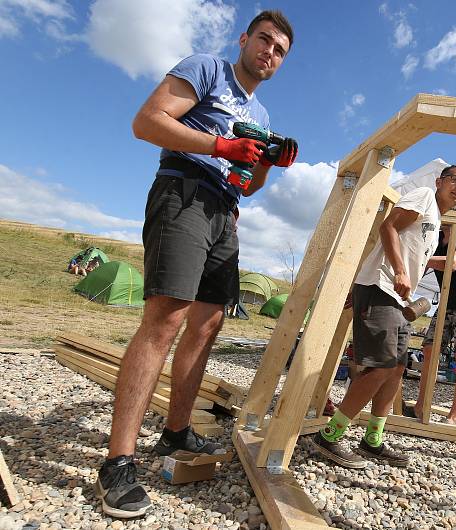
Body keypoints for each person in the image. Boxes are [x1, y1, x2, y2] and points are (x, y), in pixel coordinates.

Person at [93, 10, 297, 519]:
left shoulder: (263, 115)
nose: (269, 52)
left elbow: (249, 186)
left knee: (206, 327)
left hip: (226, 210)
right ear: (244, 39)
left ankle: (176, 431)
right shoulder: (207, 69)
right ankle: (118, 462)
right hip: (184, 191)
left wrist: (265, 162)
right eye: (264, 40)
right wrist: (219, 144)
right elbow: (147, 122)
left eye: (279, 50)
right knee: (165, 320)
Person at [310, 165, 456, 469]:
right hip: (382, 288)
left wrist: (405, 274)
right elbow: (388, 227)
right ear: (439, 182)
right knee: (381, 366)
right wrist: (396, 271)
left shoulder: (437, 222)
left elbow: (415, 258)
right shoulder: (424, 196)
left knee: (396, 369)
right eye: (455, 180)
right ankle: (330, 436)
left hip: (396, 297)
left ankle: (372, 440)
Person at [409, 224, 456, 424]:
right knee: (429, 350)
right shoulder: (436, 240)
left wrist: (420, 257)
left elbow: (452, 262)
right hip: (447, 302)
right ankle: (420, 407)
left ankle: (453, 416)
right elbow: (420, 266)